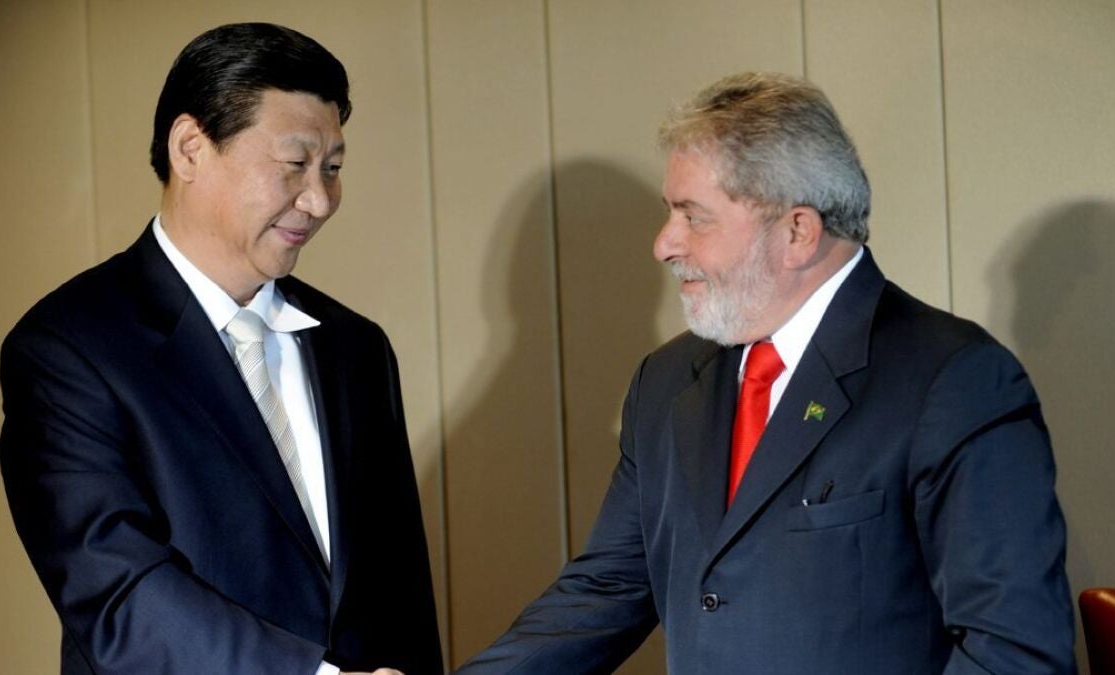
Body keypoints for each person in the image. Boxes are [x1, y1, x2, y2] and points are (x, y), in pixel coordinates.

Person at [458, 72, 1075, 674]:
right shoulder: (666, 382)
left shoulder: (954, 381)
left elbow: (1013, 652)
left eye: (694, 217)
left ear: (798, 232)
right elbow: (605, 591)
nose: (664, 244)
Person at [0, 23, 440, 675]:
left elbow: (401, 595)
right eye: (294, 164)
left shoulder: (356, 347)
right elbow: (120, 595)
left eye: (333, 168)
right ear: (189, 149)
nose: (319, 200)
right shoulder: (67, 348)